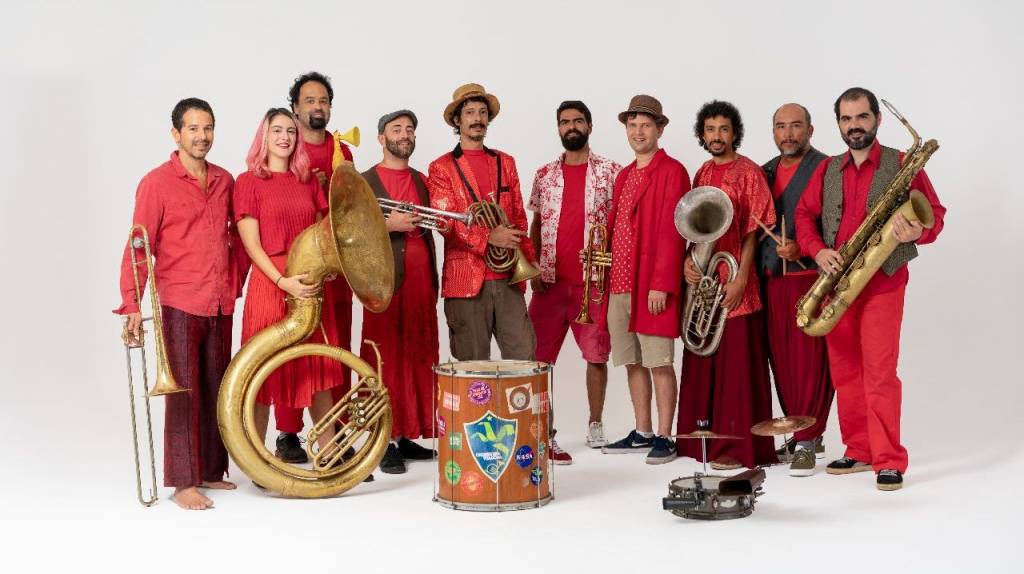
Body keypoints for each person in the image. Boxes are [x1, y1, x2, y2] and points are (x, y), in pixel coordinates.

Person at [795, 87, 946, 491]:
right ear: (838, 125)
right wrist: (818, 250)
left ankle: (889, 459)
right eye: (846, 119)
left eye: (861, 117)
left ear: (877, 119)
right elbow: (804, 216)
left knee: (879, 373)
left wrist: (918, 229)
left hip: (883, 282)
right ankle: (859, 449)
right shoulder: (827, 169)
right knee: (845, 372)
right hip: (837, 284)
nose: (854, 126)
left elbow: (937, 216)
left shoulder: (901, 163)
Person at [115, 98, 239, 510]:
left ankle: (209, 470)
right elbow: (138, 247)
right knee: (183, 392)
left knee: (216, 386)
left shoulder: (225, 180)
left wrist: (234, 284)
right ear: (176, 134)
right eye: (193, 129)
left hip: (220, 301)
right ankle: (183, 482)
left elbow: (234, 239)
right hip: (181, 301)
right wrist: (132, 303)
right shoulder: (156, 183)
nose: (202, 136)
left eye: (208, 128)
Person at [234, 108, 349, 478]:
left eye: (289, 131)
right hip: (271, 287)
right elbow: (252, 244)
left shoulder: (306, 181)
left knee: (317, 368)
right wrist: (283, 282)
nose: (284, 136)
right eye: (276, 130)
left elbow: (321, 234)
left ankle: (329, 455)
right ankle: (256, 461)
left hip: (309, 283)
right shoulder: (248, 181)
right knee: (262, 371)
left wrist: (322, 272)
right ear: (263, 136)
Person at [676, 100, 778, 471]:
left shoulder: (750, 172)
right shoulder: (702, 171)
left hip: (736, 279)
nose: (717, 136)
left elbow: (753, 232)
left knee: (736, 367)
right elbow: (692, 225)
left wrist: (739, 279)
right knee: (704, 358)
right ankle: (698, 445)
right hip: (704, 277)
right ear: (702, 135)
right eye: (710, 130)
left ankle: (738, 448)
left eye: (724, 129)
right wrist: (689, 260)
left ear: (734, 133)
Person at [269, 72, 357, 463]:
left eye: (323, 101)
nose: (317, 107)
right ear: (295, 107)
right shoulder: (284, 144)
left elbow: (354, 210)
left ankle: (332, 433)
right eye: (309, 100)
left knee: (334, 351)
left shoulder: (343, 151)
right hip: (298, 269)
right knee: (294, 347)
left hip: (335, 270)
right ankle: (288, 434)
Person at [528, 100, 621, 463]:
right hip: (550, 282)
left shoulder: (611, 171)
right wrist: (534, 267)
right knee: (537, 360)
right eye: (565, 122)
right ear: (558, 128)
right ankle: (541, 427)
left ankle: (595, 423)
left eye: (578, 121)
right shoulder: (544, 174)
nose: (571, 127)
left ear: (590, 125)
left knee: (596, 356)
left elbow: (619, 226)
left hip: (593, 283)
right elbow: (536, 224)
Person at [600, 95, 688, 465]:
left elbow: (674, 231)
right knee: (632, 361)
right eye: (632, 125)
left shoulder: (672, 171)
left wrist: (662, 284)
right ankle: (643, 430)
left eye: (646, 125)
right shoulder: (624, 174)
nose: (638, 132)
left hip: (649, 284)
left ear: (660, 129)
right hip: (619, 282)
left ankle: (667, 436)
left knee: (659, 361)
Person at [427, 83, 537, 362]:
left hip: (509, 278)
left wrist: (529, 260)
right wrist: (489, 238)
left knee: (523, 359)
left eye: (482, 112)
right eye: (470, 113)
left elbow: (519, 218)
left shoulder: (506, 162)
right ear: (457, 120)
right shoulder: (441, 168)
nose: (477, 118)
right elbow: (445, 223)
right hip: (466, 285)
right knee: (473, 369)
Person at [359, 110, 439, 474]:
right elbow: (351, 235)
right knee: (385, 357)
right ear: (381, 138)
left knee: (418, 355)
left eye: (410, 130)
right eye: (396, 129)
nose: (404, 135)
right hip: (384, 284)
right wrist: (387, 224)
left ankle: (407, 433)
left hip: (421, 284)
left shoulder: (423, 181)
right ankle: (383, 438)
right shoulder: (363, 182)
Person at [758, 103, 834, 476]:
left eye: (796, 126)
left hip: (809, 280)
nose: (788, 134)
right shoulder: (765, 171)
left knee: (810, 364)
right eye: (780, 127)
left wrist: (803, 248)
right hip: (773, 279)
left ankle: (807, 439)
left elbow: (837, 225)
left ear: (811, 129)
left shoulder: (827, 167)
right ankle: (801, 431)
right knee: (783, 362)